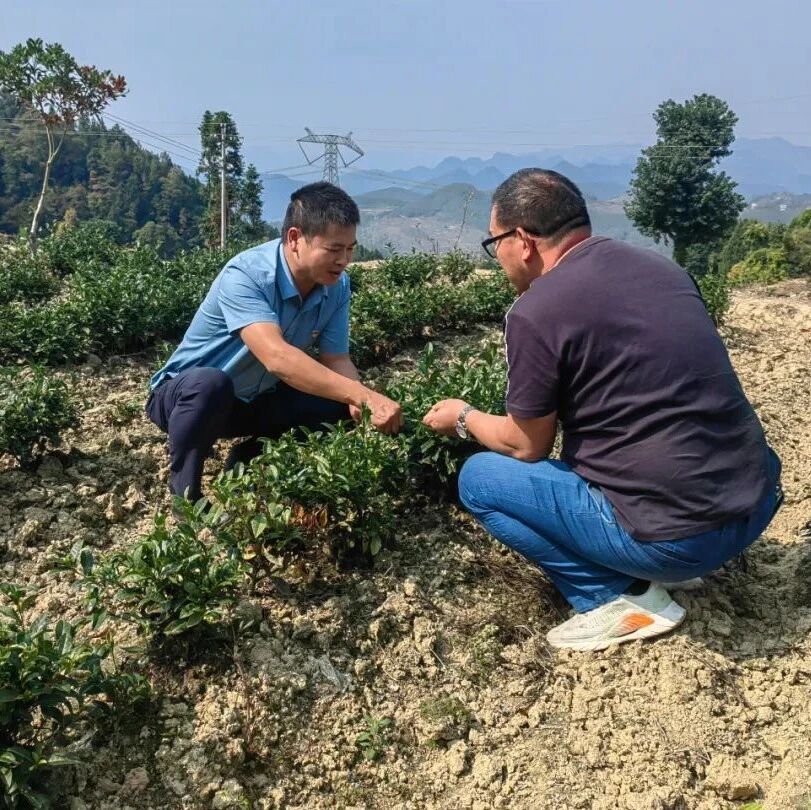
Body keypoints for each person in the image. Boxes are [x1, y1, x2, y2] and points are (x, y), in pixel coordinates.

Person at [422, 168, 782, 652]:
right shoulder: (662, 269)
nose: (497, 256)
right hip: (757, 503)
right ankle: (662, 558)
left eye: (494, 243)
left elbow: (526, 445)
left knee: (480, 480)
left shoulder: (536, 310)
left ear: (522, 241)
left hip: (681, 541)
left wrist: (463, 417)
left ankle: (614, 596)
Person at [146, 182, 402, 503]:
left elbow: (336, 359)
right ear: (295, 238)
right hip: (188, 403)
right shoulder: (247, 275)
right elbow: (277, 357)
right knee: (210, 384)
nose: (344, 260)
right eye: (334, 250)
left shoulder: (337, 286)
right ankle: (187, 499)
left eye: (350, 249)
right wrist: (364, 396)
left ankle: (249, 456)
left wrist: (358, 403)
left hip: (255, 399)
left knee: (340, 402)